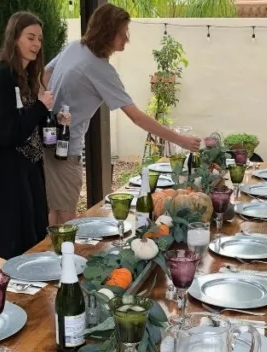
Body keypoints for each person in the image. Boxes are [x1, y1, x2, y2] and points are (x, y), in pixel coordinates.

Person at [43, 4, 200, 225]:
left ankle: (55, 255)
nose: (127, 38)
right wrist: (180, 139)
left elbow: (45, 74)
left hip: (50, 142)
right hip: (66, 150)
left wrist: (48, 109)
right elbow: (136, 116)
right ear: (107, 33)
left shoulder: (75, 47)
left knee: (56, 209)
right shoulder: (99, 68)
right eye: (122, 32)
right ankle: (67, 257)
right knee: (67, 216)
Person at [0, 11, 54, 259]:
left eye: (39, 39)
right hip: (11, 176)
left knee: (35, 240)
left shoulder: (26, 78)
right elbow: (5, 133)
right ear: (15, 38)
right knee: (18, 247)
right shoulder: (1, 77)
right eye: (30, 37)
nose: (36, 44)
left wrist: (53, 120)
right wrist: (40, 107)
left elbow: (29, 123)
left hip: (31, 169)